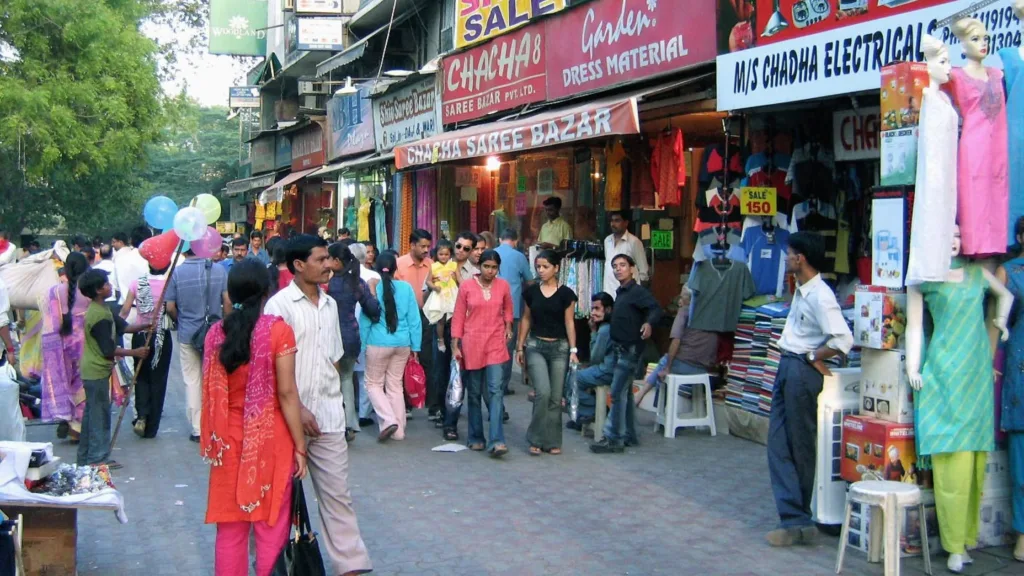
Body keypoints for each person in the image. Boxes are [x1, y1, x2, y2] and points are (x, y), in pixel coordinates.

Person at [264, 235, 373, 574]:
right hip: (286, 420)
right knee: (279, 501)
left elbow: (334, 359)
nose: (329, 265)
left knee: (337, 495)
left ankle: (351, 565)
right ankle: (273, 565)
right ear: (299, 265)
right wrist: (298, 409)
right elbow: (268, 369)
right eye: (321, 259)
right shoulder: (278, 307)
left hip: (327, 417)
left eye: (329, 259)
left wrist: (331, 405)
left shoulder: (330, 306)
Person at [201, 259, 309, 576]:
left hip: (228, 440)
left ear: (230, 292)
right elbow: (288, 394)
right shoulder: (278, 331)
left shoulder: (215, 335)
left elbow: (209, 392)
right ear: (266, 291)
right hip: (271, 440)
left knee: (231, 530)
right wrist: (300, 446)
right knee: (270, 524)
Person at [765, 232, 853, 547]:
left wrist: (814, 355)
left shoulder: (820, 295)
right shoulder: (804, 291)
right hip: (789, 365)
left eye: (789, 253)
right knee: (779, 444)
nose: (786, 257)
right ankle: (795, 517)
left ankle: (797, 521)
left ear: (800, 258)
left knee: (797, 446)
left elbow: (843, 339)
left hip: (801, 369)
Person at [591, 254, 662, 454]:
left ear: (632, 268)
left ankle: (613, 438)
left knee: (616, 392)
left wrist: (648, 323)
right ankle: (629, 434)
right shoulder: (621, 293)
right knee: (625, 395)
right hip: (620, 347)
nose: (618, 269)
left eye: (622, 265)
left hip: (630, 349)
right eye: (615, 266)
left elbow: (656, 309)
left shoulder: (637, 292)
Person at [77, 269, 147, 469]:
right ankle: (98, 458)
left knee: (92, 416)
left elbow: (124, 327)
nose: (110, 286)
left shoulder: (103, 309)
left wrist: (146, 325)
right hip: (95, 370)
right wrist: (135, 352)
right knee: (99, 416)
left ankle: (86, 457)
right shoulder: (98, 316)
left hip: (95, 371)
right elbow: (108, 350)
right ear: (98, 290)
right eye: (106, 284)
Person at [451, 249, 513, 455]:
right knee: (475, 392)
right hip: (472, 343)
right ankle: (476, 437)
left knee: (495, 391)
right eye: (487, 266)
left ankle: (496, 440)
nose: (490, 271)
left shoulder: (503, 286)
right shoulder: (467, 286)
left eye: (494, 267)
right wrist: (455, 344)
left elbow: (508, 309)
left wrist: (508, 326)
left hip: (495, 342)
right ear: (479, 266)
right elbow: (459, 315)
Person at [166, 249, 231, 442]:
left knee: (192, 380)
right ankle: (217, 425)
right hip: (215, 333)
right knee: (215, 379)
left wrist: (182, 321)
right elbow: (227, 302)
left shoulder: (177, 273)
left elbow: (170, 307)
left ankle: (197, 428)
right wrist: (225, 325)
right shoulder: (219, 270)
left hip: (188, 334)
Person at [517, 250, 578, 456]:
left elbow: (569, 322)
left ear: (556, 268)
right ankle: (535, 438)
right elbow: (526, 319)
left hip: (560, 348)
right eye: (538, 266)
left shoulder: (566, 294)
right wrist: (520, 346)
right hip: (536, 346)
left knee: (555, 397)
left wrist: (573, 349)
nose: (541, 270)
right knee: (542, 392)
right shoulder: (531, 292)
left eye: (545, 266)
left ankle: (552, 440)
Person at [360, 250, 421, 442]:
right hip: (402, 343)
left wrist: (361, 346)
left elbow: (365, 321)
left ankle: (388, 421)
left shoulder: (373, 289)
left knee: (373, 384)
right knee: (395, 385)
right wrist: (416, 347)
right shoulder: (406, 288)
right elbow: (414, 319)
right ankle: (399, 431)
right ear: (396, 268)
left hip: (378, 342)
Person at [326, 242, 380, 441]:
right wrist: (373, 291)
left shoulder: (327, 283)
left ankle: (335, 424)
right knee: (346, 379)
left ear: (337, 261)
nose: (326, 262)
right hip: (351, 338)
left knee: (333, 381)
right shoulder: (357, 282)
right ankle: (350, 424)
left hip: (330, 338)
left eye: (328, 259)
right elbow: (373, 310)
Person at [635, 288, 718, 407]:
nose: (679, 301)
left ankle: (648, 400)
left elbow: (676, 341)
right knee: (665, 363)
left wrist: (667, 367)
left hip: (687, 367)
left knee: (665, 362)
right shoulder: (711, 315)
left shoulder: (685, 311)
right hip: (704, 369)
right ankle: (647, 398)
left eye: (682, 297)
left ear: (690, 299)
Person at [119, 262, 173, 439]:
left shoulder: (137, 283)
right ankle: (151, 427)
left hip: (139, 334)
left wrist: (117, 328)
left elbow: (126, 310)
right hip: (161, 336)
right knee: (158, 380)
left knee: (140, 376)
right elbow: (171, 309)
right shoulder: (169, 283)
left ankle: (141, 415)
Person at [41, 252, 91, 442]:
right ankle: (76, 426)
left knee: (66, 381)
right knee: (82, 383)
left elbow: (52, 322)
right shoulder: (88, 290)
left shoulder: (54, 291)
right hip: (85, 342)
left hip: (62, 342)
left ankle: (66, 417)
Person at [394, 229, 435, 417]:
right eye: (422, 246)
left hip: (427, 316)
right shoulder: (399, 265)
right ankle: (405, 402)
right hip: (404, 318)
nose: (426, 250)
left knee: (426, 357)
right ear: (412, 245)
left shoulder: (432, 265)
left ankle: (422, 396)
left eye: (428, 246)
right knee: (403, 359)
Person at [495, 228, 533, 395]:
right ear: (516, 241)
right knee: (507, 347)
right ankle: (502, 385)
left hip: (492, 307)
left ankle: (492, 382)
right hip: (513, 309)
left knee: (493, 344)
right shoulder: (519, 257)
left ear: (499, 239)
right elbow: (530, 281)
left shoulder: (491, 254)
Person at [569, 293, 614, 431]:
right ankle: (584, 414)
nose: (593, 312)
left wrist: (593, 332)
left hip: (606, 370)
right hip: (611, 368)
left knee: (572, 379)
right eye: (592, 308)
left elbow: (595, 358)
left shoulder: (605, 330)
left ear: (608, 310)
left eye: (597, 309)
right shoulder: (610, 325)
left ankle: (592, 411)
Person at [349, 242, 380, 428]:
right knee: (365, 375)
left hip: (347, 329)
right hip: (368, 330)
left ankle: (348, 412)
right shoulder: (373, 276)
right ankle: (364, 413)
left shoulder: (343, 277)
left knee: (346, 374)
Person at [603, 211, 649, 298]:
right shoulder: (607, 241)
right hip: (609, 292)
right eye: (612, 221)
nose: (613, 224)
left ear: (626, 223)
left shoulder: (634, 242)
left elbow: (643, 272)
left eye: (617, 221)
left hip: (629, 294)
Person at [425, 240, 459, 354]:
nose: (444, 257)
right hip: (440, 294)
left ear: (450, 254)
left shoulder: (454, 265)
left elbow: (460, 280)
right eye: (441, 254)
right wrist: (434, 287)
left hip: (452, 293)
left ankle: (454, 340)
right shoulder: (434, 267)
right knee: (441, 318)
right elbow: (428, 281)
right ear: (436, 254)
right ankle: (440, 339)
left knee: (455, 316)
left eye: (446, 254)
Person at [113, 226, 152, 317]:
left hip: (126, 311)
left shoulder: (119, 260)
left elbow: (116, 287)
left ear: (131, 240)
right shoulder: (151, 260)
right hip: (148, 310)